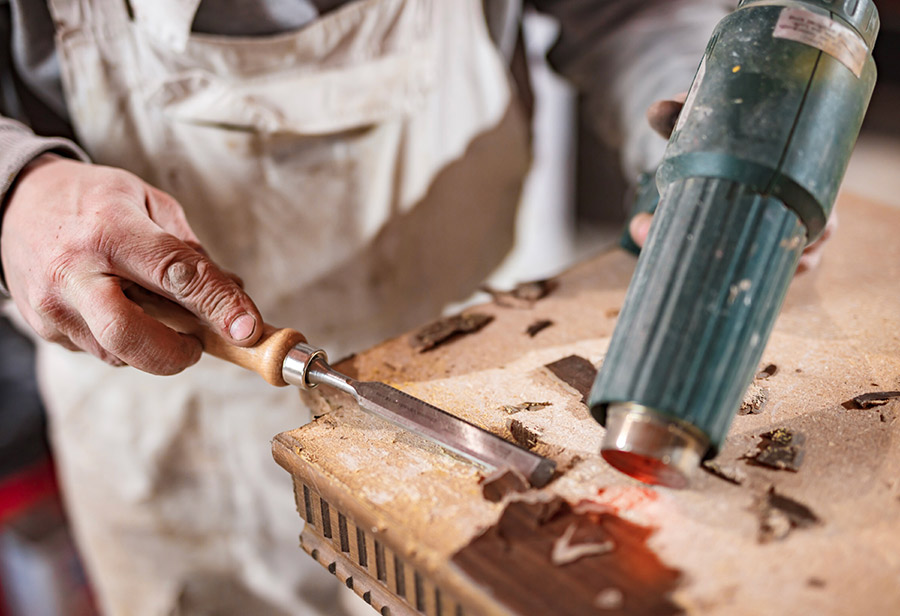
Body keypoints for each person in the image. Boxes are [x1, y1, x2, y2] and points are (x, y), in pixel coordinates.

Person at [0, 1, 831, 614]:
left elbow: (635, 13)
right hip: (152, 380)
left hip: (467, 348)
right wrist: (16, 190)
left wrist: (708, 132)